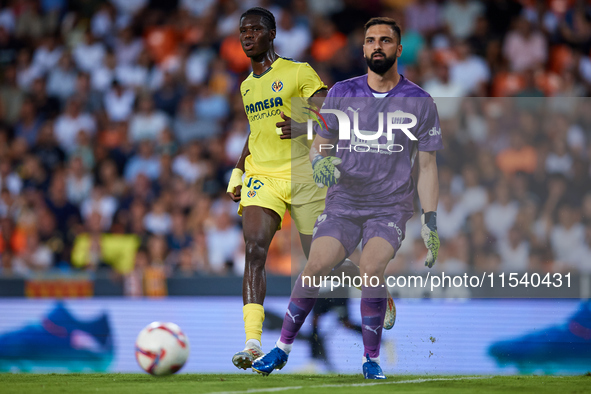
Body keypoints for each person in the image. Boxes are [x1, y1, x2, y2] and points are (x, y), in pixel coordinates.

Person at [252, 17, 442, 379]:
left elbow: (428, 167)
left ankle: (371, 360)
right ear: (364, 49)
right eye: (371, 40)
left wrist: (430, 220)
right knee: (315, 267)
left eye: (385, 40)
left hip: (389, 206)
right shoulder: (342, 91)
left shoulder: (420, 101)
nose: (377, 46)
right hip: (343, 202)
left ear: (398, 50)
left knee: (371, 269)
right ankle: (281, 350)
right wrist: (319, 160)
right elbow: (321, 143)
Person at [226, 8, 396, 371]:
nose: (247, 36)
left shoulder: (298, 72)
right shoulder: (246, 85)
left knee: (323, 263)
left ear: (272, 35)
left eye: (255, 29)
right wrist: (239, 170)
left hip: (304, 176)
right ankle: (252, 342)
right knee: (254, 249)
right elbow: (256, 132)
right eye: (243, 30)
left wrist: (304, 129)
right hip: (263, 177)